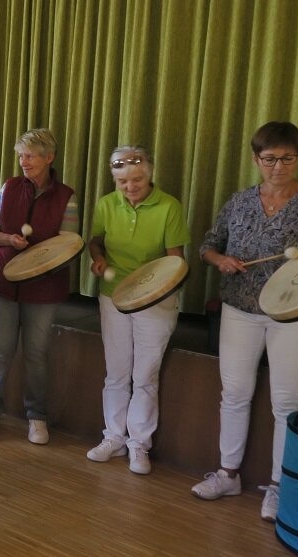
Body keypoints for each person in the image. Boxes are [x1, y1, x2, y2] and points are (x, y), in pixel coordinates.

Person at [190, 121, 298, 522]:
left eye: (287, 158)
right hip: (239, 310)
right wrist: (221, 261)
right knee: (234, 394)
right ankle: (228, 473)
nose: (278, 167)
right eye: (270, 159)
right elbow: (207, 246)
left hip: (296, 317)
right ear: (255, 159)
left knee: (287, 403)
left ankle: (281, 486)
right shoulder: (239, 202)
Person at [86, 146, 190, 475]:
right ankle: (114, 437)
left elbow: (177, 261)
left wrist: (153, 287)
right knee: (116, 373)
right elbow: (96, 240)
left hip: (155, 300)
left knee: (145, 376)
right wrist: (98, 258)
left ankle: (138, 444)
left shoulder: (169, 206)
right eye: (122, 182)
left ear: (150, 176)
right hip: (113, 296)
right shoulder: (106, 204)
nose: (130, 187)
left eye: (137, 180)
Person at [0, 128, 79, 445]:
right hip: (3, 282)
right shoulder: (8, 188)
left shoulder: (66, 197)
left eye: (30, 155)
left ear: (49, 157)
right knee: (0, 350)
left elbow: (70, 245)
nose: (24, 161)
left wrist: (41, 258)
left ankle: (37, 417)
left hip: (43, 288)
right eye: (21, 155)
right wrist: (9, 239)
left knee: (37, 353)